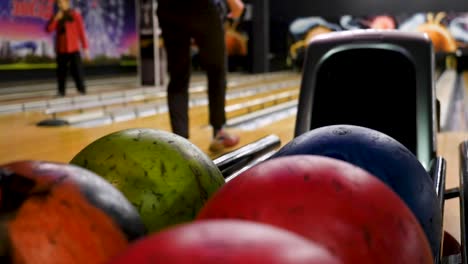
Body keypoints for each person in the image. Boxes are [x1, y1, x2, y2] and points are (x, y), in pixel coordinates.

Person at [156, 0, 244, 152]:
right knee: (217, 70)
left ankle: (180, 142)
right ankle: (219, 132)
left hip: (168, 8)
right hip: (203, 7)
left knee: (178, 77)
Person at [46, 0, 89, 97]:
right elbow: (49, 29)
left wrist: (85, 48)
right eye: (58, 3)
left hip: (73, 48)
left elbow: (81, 32)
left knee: (77, 70)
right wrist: (56, 18)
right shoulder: (56, 16)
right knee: (61, 72)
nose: (59, 5)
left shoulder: (75, 15)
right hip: (61, 49)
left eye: (60, 3)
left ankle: (82, 90)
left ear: (67, 3)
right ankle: (61, 92)